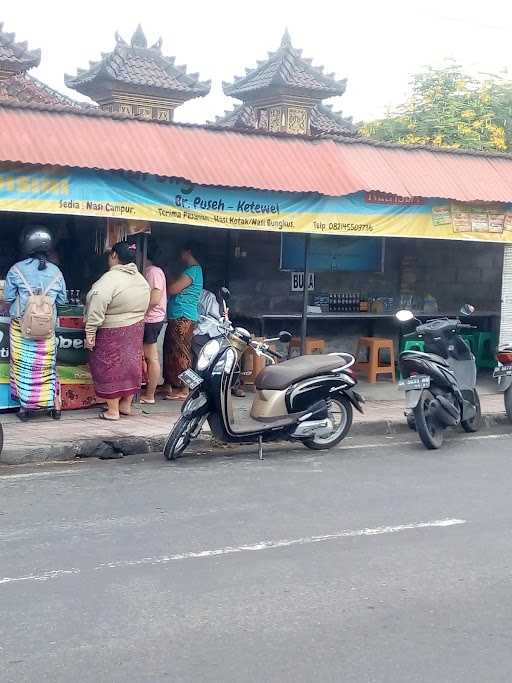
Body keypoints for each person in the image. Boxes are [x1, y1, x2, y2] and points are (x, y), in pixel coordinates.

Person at [4, 226, 67, 420]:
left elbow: (7, 298)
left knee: (23, 365)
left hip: (21, 327)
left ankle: (26, 407)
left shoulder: (16, 270)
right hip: (47, 329)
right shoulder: (56, 272)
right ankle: (53, 406)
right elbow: (62, 300)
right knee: (47, 366)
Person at [84, 242, 150, 421]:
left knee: (109, 366)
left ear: (114, 255)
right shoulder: (140, 279)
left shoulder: (109, 279)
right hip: (136, 327)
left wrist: (90, 332)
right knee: (131, 365)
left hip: (112, 329)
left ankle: (112, 410)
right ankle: (126, 405)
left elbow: (97, 303)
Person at [162, 242, 203, 400]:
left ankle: (185, 388)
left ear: (188, 252)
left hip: (183, 316)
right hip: (178, 315)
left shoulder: (193, 271)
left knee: (182, 353)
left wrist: (167, 275)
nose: (180, 256)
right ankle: (169, 385)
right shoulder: (192, 271)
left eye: (182, 253)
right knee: (171, 351)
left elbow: (173, 289)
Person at [192, 288, 245, 397]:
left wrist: (195, 332)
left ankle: (234, 385)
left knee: (228, 355)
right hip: (198, 334)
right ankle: (200, 384)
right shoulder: (183, 296)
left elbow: (212, 320)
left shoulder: (207, 296)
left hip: (214, 331)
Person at [140, 241, 167, 404]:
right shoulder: (153, 271)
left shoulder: (153, 272)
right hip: (152, 319)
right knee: (150, 357)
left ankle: (149, 395)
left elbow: (155, 299)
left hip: (151, 319)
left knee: (151, 357)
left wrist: (141, 312)